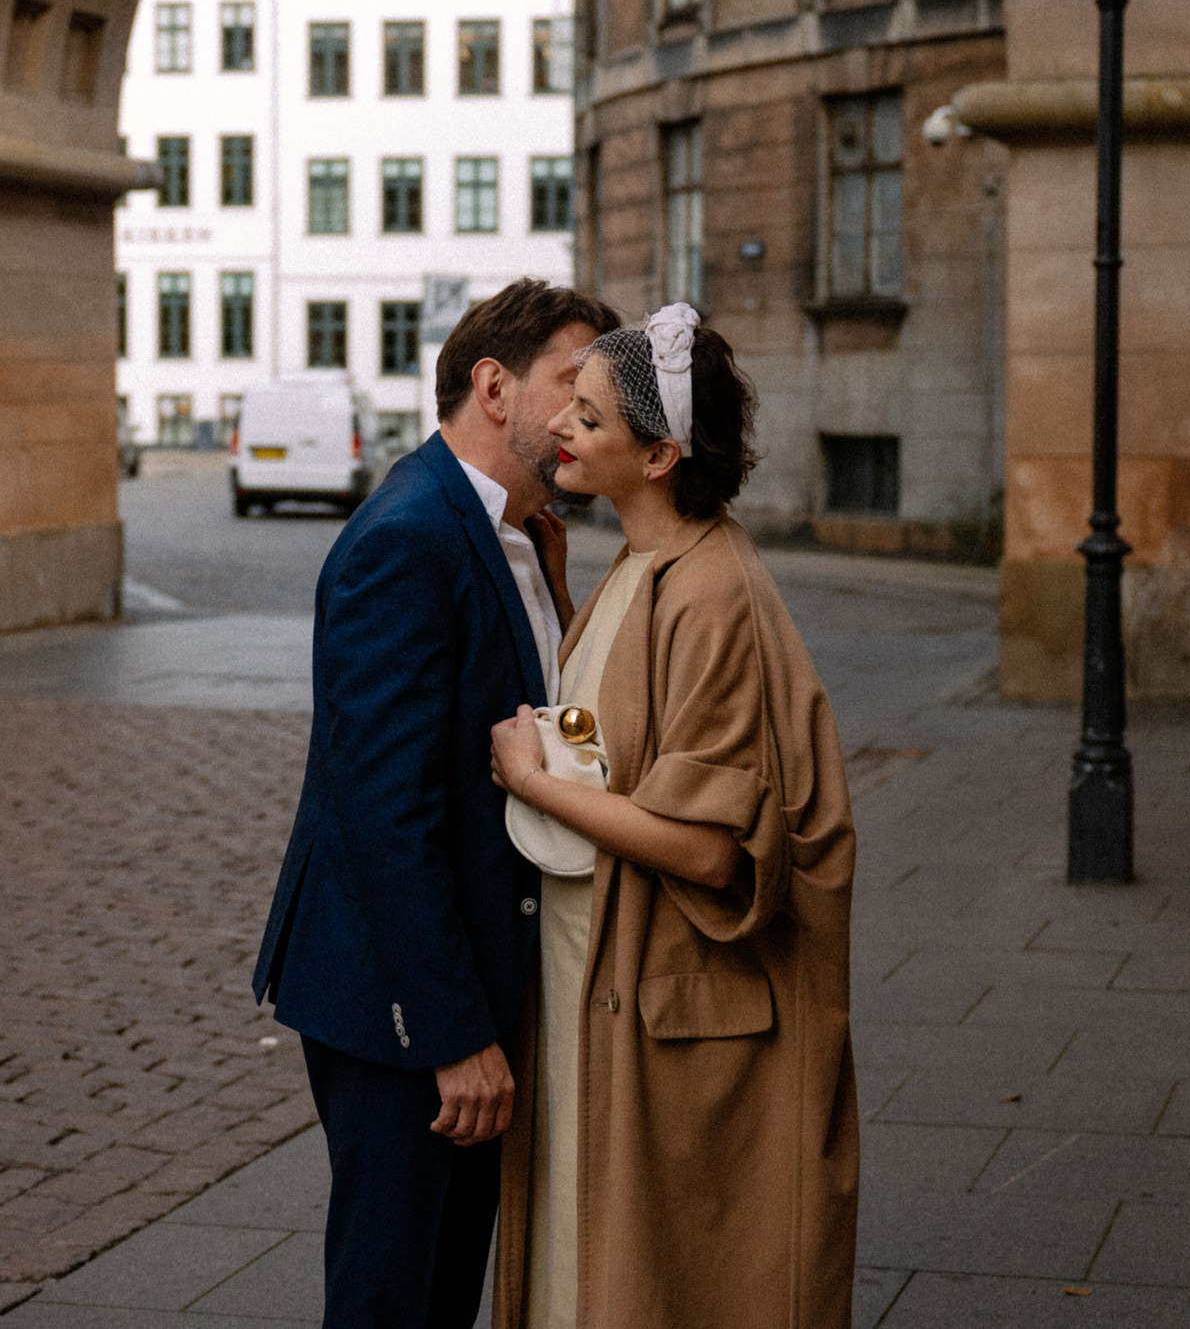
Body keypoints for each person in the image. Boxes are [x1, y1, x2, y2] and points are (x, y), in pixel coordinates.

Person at [252, 278, 619, 1329]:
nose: (589, 411)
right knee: (391, 1293)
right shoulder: (405, 536)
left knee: (443, 1286)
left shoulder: (521, 532)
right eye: (571, 383)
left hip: (474, 969)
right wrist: (450, 1033)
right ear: (494, 386)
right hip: (397, 1001)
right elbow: (381, 810)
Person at [485, 304, 859, 1329]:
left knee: (635, 1274)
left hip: (651, 991)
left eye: (589, 416)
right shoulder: (644, 565)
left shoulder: (710, 591)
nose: (560, 422)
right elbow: (626, 746)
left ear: (656, 454)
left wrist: (529, 777)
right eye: (570, 401)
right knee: (588, 1257)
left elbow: (704, 847)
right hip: (591, 968)